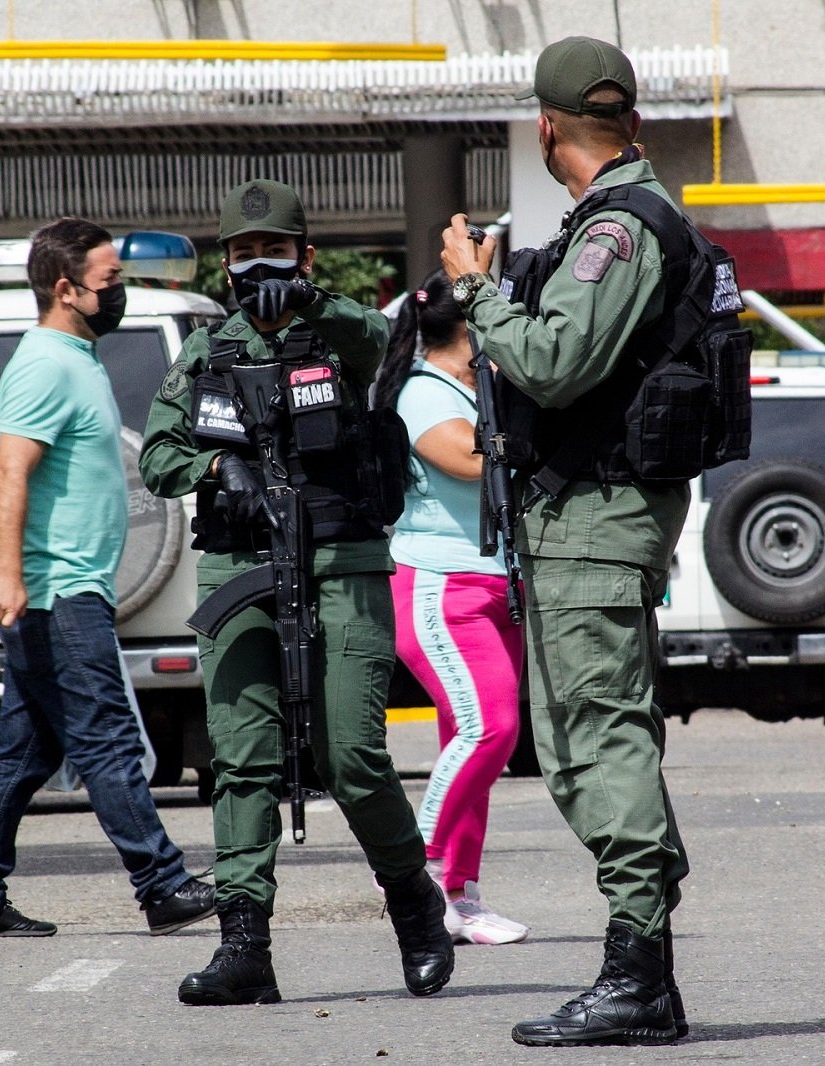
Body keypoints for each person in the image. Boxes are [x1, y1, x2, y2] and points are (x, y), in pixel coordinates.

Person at [141, 179, 454, 1006]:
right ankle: (246, 947)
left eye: (273, 251)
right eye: (242, 254)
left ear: (304, 256)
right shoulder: (206, 352)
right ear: (224, 264)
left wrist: (319, 301)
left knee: (351, 756)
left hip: (341, 562)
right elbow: (158, 455)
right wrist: (218, 464)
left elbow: (391, 341)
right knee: (241, 763)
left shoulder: (343, 336)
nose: (257, 266)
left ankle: (415, 902)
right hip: (239, 571)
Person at [440, 37, 693, 1046]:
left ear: (546, 129)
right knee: (584, 736)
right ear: (627, 117)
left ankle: (638, 970)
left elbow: (551, 358)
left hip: (597, 514)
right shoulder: (628, 217)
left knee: (600, 734)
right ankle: (642, 966)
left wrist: (475, 288)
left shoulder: (620, 230)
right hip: (587, 514)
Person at [0, 217, 215, 940]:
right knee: (110, 739)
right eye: (110, 281)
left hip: (73, 585)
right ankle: (161, 883)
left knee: (25, 749)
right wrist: (9, 572)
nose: (119, 292)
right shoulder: (43, 365)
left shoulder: (77, 357)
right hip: (58, 590)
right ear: (66, 289)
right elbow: (10, 474)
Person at [371, 270, 528, 946]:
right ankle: (416, 868)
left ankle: (460, 897)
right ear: (468, 328)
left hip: (496, 587)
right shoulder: (421, 391)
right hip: (441, 588)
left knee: (471, 749)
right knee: (489, 729)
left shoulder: (476, 387)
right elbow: (469, 459)